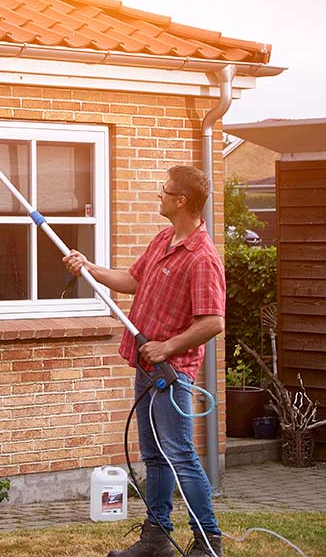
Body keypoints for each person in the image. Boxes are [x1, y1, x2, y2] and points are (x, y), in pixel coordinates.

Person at [64, 165, 225, 557]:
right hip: (147, 369)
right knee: (154, 457)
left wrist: (168, 347)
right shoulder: (164, 240)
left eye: (165, 190)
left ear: (181, 200)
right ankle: (157, 539)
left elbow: (213, 321)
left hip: (172, 376)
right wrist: (88, 268)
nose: (160, 194)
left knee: (180, 454)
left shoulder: (202, 257)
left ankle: (208, 542)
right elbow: (132, 280)